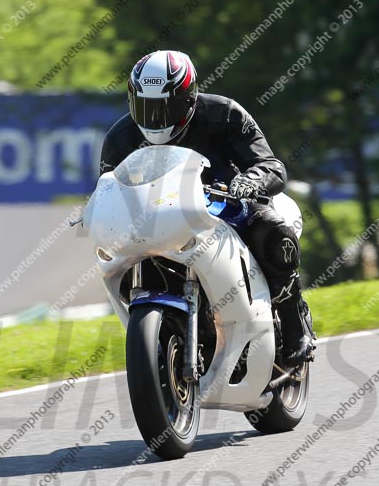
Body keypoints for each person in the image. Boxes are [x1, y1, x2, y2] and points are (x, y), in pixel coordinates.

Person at [99, 49, 315, 365]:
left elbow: (271, 165)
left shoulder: (225, 114)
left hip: (224, 205)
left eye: (165, 107)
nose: (155, 118)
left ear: (189, 98)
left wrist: (250, 181)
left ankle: (293, 319)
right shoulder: (120, 138)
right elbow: (107, 189)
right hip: (157, 219)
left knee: (273, 229)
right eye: (146, 108)